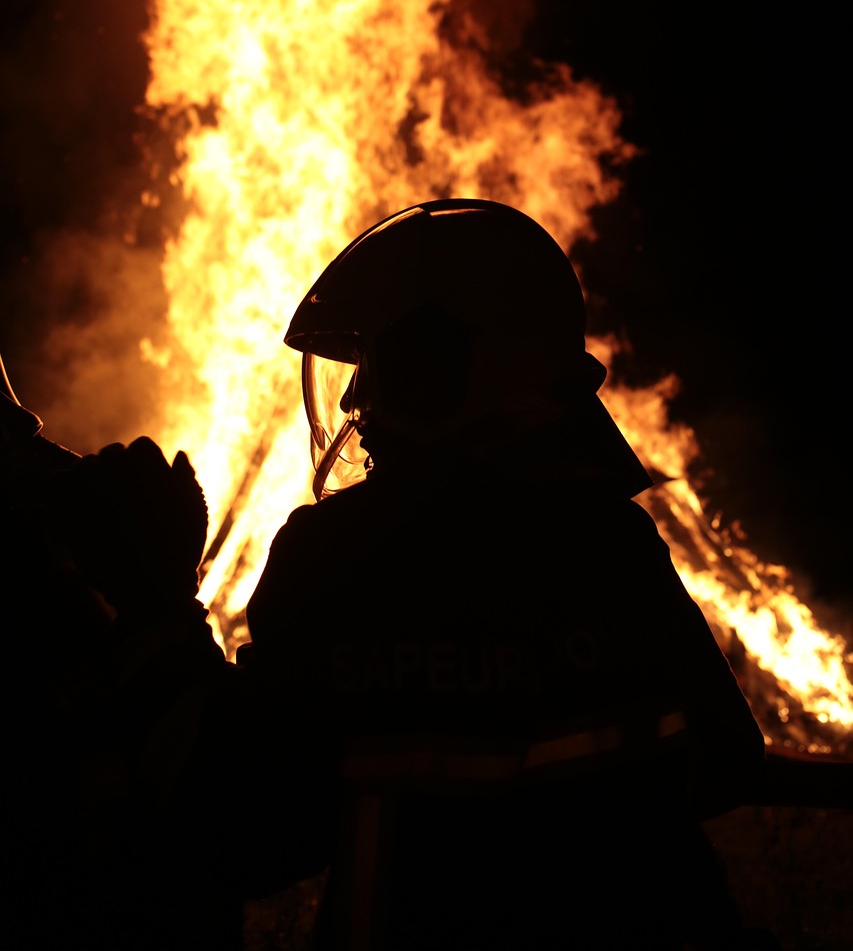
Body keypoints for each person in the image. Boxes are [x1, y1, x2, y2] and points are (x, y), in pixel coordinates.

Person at [47, 198, 769, 949]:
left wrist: (156, 603)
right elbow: (726, 762)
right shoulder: (614, 543)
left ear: (441, 369)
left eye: (378, 364)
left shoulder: (344, 553)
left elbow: (239, 830)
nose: (355, 400)